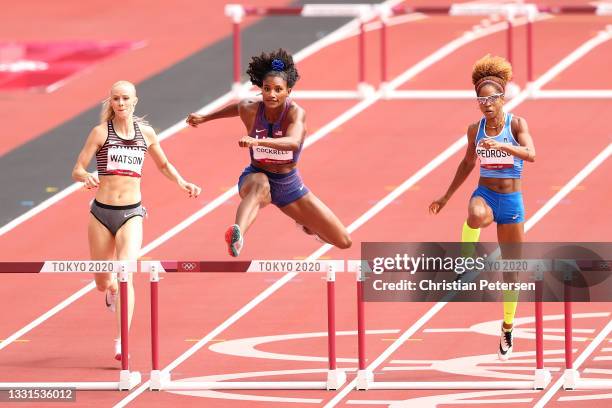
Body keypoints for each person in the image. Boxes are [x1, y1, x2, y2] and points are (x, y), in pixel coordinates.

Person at [72, 80, 201, 361]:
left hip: (131, 213)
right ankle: (111, 291)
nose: (120, 103)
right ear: (111, 102)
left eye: (125, 98)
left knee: (126, 271)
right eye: (116, 99)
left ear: (135, 101)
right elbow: (77, 168)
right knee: (103, 281)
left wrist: (182, 182)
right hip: (101, 214)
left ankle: (122, 342)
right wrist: (86, 176)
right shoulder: (100, 133)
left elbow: (164, 165)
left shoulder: (147, 134)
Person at [186, 49, 351, 257]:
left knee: (344, 241)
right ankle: (238, 235)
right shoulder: (250, 108)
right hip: (255, 176)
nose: (272, 94)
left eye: (278, 89)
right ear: (261, 89)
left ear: (288, 91)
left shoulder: (295, 113)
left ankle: (307, 226)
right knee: (260, 184)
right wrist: (205, 117)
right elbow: (237, 107)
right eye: (267, 88)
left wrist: (258, 141)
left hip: (288, 184)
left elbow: (293, 142)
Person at [429, 55, 536, 360]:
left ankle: (507, 326)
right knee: (475, 215)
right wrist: (446, 196)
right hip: (486, 194)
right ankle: (465, 262)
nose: (487, 104)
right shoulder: (474, 130)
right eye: (481, 99)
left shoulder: (516, 124)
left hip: (512, 201)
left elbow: (531, 154)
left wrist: (503, 146)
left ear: (502, 98)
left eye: (492, 98)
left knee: (512, 272)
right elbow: (466, 163)